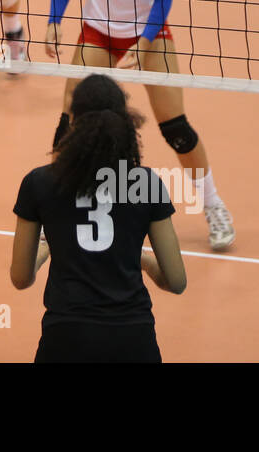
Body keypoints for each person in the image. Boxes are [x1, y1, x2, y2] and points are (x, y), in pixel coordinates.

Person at [45, 0, 236, 251]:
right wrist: (53, 21)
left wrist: (146, 40)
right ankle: (56, 206)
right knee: (69, 122)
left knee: (177, 131)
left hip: (147, 33)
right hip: (96, 30)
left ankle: (214, 205)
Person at [10, 74, 186, 362]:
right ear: (124, 122)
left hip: (66, 339)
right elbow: (176, 281)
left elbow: (20, 278)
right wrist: (136, 255)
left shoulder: (39, 182)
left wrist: (50, 247)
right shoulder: (146, 183)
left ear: (74, 122)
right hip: (133, 340)